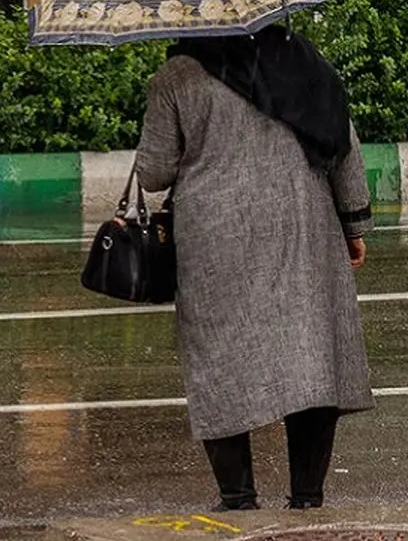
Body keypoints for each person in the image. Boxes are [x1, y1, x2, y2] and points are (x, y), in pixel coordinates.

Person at [135, 25, 374, 512]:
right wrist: (353, 223)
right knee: (311, 355)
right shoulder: (301, 62)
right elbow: (341, 141)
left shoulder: (176, 76)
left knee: (219, 359)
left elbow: (154, 173)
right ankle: (307, 495)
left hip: (215, 241)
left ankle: (237, 497)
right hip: (304, 228)